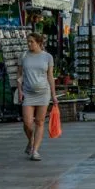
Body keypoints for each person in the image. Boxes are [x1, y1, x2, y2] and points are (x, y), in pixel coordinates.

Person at [17, 32, 57, 161]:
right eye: (28, 41)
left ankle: (35, 150)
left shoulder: (47, 57)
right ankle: (31, 139)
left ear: (39, 43)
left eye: (31, 42)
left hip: (43, 93)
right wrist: (19, 91)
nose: (29, 44)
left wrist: (54, 95)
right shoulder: (23, 56)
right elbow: (19, 76)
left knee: (39, 122)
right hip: (28, 93)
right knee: (27, 123)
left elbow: (50, 76)